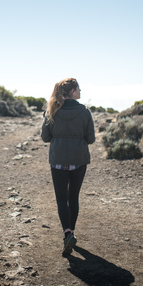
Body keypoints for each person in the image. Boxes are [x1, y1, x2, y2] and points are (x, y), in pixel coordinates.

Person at [41, 78, 96, 257]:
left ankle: (67, 234)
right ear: (72, 91)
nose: (80, 91)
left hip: (57, 160)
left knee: (61, 200)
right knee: (73, 197)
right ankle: (71, 233)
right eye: (78, 88)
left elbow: (45, 137)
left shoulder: (52, 110)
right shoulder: (84, 111)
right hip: (79, 160)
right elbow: (91, 139)